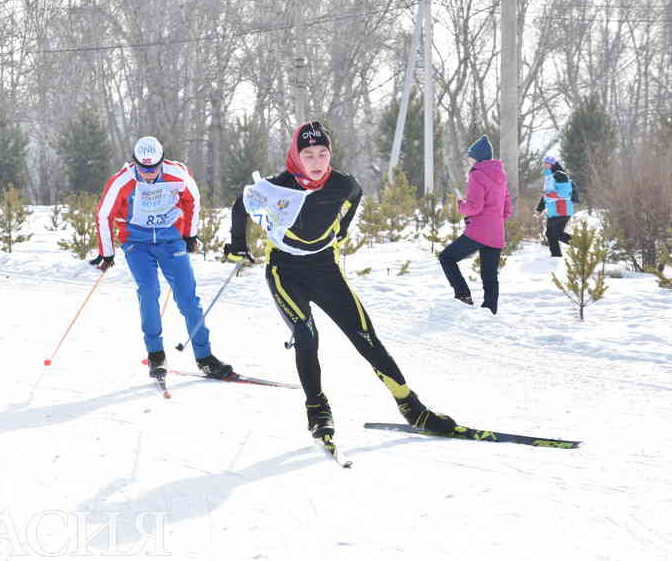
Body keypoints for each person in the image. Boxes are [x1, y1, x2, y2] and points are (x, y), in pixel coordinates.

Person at [223, 121, 456, 440]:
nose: (317, 162)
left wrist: (342, 229)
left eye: (323, 153)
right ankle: (317, 410)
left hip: (325, 269)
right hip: (284, 271)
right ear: (296, 155)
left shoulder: (342, 185)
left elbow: (356, 195)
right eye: (308, 155)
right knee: (306, 335)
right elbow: (242, 204)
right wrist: (238, 245)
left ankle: (412, 408)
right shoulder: (277, 186)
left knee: (366, 338)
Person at [90, 136, 234, 379]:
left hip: (170, 240)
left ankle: (205, 357)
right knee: (148, 291)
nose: (148, 174)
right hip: (137, 242)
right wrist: (107, 251)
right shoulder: (122, 180)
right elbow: (104, 215)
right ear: (134, 162)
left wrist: (190, 235)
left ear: (161, 162)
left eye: (153, 168)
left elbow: (193, 200)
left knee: (188, 298)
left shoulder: (177, 175)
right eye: (143, 169)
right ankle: (156, 355)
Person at [438, 135, 513, 315]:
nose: (469, 160)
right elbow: (507, 206)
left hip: (478, 231)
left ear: (477, 157)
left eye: (470, 156)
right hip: (496, 233)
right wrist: (495, 220)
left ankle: (463, 295)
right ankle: (490, 310)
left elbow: (474, 207)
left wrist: (460, 205)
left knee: (446, 258)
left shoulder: (477, 174)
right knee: (490, 275)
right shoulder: (501, 175)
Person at [536, 155, 574, 257]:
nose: (543, 165)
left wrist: (549, 195)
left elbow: (564, 193)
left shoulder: (560, 175)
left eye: (546, 163)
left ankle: (581, 244)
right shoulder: (548, 177)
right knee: (549, 234)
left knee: (557, 234)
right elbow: (546, 195)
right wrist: (539, 209)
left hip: (562, 209)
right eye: (543, 163)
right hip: (553, 210)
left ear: (552, 164)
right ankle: (556, 256)